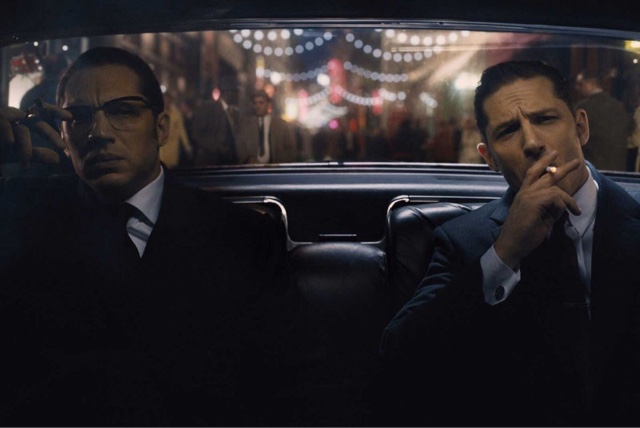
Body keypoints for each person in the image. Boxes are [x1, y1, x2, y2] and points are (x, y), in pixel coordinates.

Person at [0, 47, 306, 426]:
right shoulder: (22, 227)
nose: (98, 133)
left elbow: (289, 382)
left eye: (123, 111)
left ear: (161, 128)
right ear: (62, 133)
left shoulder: (244, 237)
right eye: (78, 117)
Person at [379, 61, 640, 426]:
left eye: (545, 119)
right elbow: (400, 359)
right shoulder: (463, 241)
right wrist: (504, 253)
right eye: (508, 131)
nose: (532, 143)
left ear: (581, 127)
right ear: (489, 158)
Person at [575, 69, 633, 171]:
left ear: (590, 83)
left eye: (580, 84)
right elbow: (630, 128)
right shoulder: (618, 106)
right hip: (618, 168)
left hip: (593, 169)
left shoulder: (584, 107)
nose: (577, 88)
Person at [190, 75, 240, 166]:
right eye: (235, 92)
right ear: (228, 93)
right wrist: (217, 147)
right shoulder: (209, 108)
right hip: (209, 162)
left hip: (228, 163)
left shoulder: (234, 112)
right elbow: (196, 133)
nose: (237, 95)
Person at [236, 89, 296, 164]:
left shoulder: (280, 125)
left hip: (275, 167)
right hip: (252, 167)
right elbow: (240, 145)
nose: (258, 106)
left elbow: (290, 148)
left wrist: (280, 162)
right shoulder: (246, 125)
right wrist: (248, 159)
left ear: (268, 104)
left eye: (261, 103)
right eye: (255, 103)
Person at [159, 91, 193, 168]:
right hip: (162, 148)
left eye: (168, 99)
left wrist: (187, 145)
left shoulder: (176, 114)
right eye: (165, 99)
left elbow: (181, 130)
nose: (166, 102)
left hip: (173, 146)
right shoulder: (158, 113)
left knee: (172, 167)